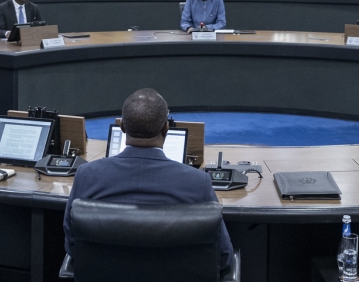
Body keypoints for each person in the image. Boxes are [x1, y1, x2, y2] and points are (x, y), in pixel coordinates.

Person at [64, 88, 234, 276]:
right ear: (166, 128)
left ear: (122, 127)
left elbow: (73, 247)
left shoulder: (86, 176)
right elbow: (223, 257)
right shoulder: (198, 182)